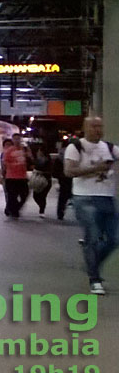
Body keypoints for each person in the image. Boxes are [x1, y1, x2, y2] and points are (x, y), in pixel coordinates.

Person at [63, 116, 118, 295]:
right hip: (84, 199)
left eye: (100, 126)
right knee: (92, 238)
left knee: (114, 239)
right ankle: (95, 279)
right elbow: (69, 171)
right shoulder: (76, 147)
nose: (98, 129)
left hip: (107, 199)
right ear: (85, 128)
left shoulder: (110, 148)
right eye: (94, 126)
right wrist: (96, 168)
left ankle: (91, 264)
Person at [1, 135, 30, 218]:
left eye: (19, 139)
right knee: (12, 196)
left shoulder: (23, 149)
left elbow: (30, 158)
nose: (17, 140)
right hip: (11, 177)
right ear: (13, 140)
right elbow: (5, 162)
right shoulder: (9, 151)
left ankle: (13, 209)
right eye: (15, 139)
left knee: (25, 194)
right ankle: (13, 211)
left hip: (22, 177)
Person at [29, 145, 53, 218]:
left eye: (39, 151)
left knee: (40, 196)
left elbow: (48, 170)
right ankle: (42, 210)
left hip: (44, 181)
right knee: (40, 196)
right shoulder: (44, 159)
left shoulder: (45, 160)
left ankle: (42, 210)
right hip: (44, 180)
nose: (38, 152)